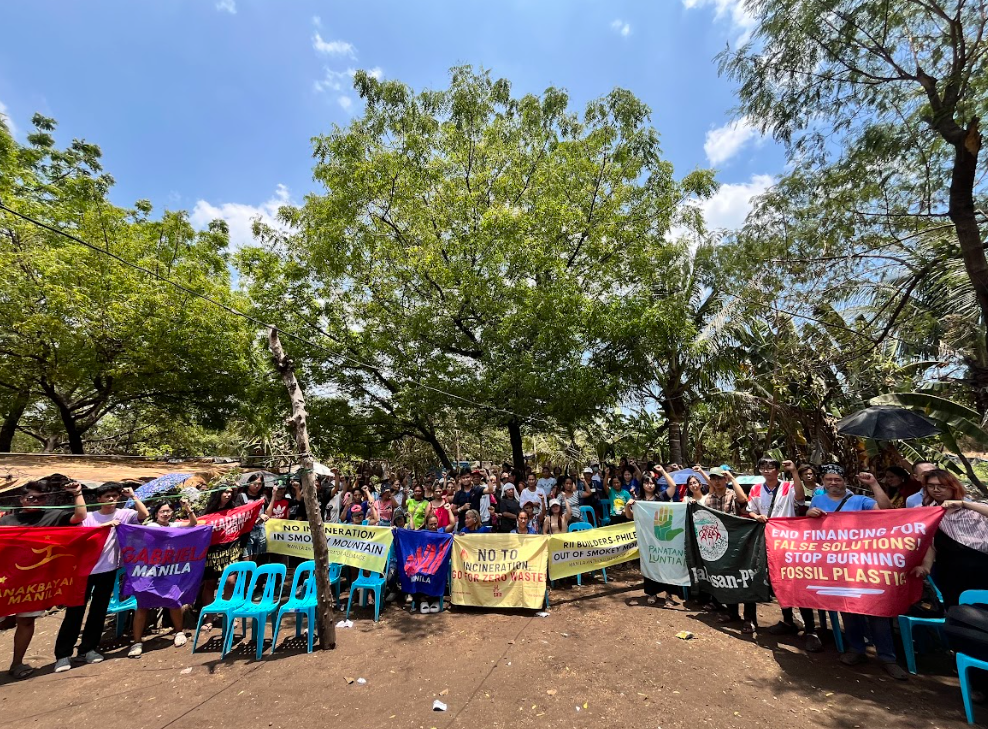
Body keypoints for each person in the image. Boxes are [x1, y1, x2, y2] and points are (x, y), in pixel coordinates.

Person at [805, 466, 905, 679]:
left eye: (838, 479)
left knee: (875, 610)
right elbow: (811, 528)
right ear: (823, 482)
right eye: (829, 479)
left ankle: (887, 657)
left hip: (865, 564)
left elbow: (887, 510)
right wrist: (808, 514)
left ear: (845, 481)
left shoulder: (861, 500)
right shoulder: (818, 501)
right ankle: (856, 650)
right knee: (848, 608)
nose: (833, 483)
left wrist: (874, 484)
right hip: (836, 565)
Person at [54, 483, 148, 673]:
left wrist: (133, 495)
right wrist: (105, 526)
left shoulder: (124, 514)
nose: (112, 499)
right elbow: (80, 536)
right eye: (107, 496)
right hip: (83, 572)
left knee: (98, 612)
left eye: (114, 496)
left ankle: (88, 649)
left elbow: (143, 515)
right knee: (75, 612)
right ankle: (63, 655)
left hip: (109, 570)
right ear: (99, 499)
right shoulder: (88, 517)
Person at [0, 480, 89, 679]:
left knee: (26, 621)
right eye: (31, 497)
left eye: (41, 498)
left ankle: (17, 663)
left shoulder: (54, 515)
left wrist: (77, 493)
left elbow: (80, 516)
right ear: (22, 499)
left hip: (33, 582)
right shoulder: (6, 521)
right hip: (5, 581)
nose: (36, 501)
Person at [745, 456, 810, 640]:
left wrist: (795, 472)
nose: (767, 470)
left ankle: (807, 628)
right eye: (763, 467)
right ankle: (785, 620)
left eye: (771, 467)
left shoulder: (788, 486)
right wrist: (755, 516)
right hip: (766, 538)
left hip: (787, 540)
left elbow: (799, 498)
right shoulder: (756, 489)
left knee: (792, 581)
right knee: (767, 578)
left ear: (777, 470)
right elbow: (751, 509)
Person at [128, 499, 198, 658]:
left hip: (169, 571)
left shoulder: (174, 525)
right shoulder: (152, 526)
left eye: (168, 511)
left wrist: (188, 508)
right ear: (156, 514)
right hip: (149, 571)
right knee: (143, 605)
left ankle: (179, 632)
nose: (166, 514)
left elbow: (193, 524)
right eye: (162, 512)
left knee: (173, 601)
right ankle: (137, 642)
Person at [912, 469, 988, 608]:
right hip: (950, 573)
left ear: (953, 486)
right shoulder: (926, 512)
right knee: (957, 613)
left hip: (983, 568)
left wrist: (964, 504)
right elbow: (931, 544)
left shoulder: (973, 508)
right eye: (931, 486)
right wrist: (925, 568)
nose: (936, 490)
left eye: (942, 486)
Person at [199, 486, 243, 634]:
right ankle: (209, 617)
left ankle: (228, 612)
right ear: (217, 493)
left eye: (231, 492)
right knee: (209, 584)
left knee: (231, 582)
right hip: (211, 552)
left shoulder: (235, 511)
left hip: (230, 550)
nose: (228, 494)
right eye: (225, 491)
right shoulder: (206, 512)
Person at [237, 474, 269, 559]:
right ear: (248, 483)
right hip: (246, 533)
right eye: (254, 483)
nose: (257, 486)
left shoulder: (263, 497)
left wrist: (274, 495)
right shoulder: (241, 496)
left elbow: (268, 512)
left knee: (256, 560)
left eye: (260, 484)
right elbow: (241, 512)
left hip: (260, 532)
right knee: (247, 561)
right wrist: (258, 515)